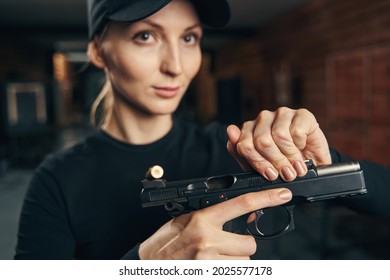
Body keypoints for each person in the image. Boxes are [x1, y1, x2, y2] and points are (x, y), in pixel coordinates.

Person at [15, 0, 390, 260]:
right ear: (98, 51)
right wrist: (140, 267)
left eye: (189, 37)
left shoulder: (235, 151)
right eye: (145, 35)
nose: (176, 66)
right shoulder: (56, 180)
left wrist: (321, 164)